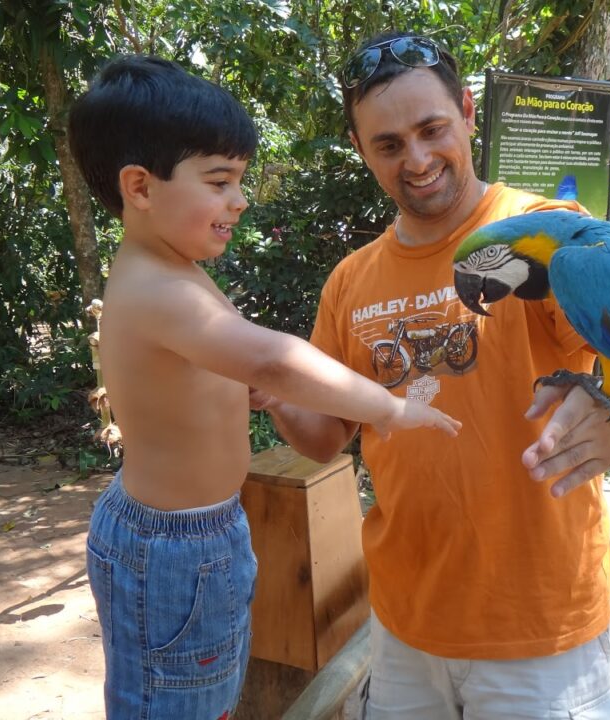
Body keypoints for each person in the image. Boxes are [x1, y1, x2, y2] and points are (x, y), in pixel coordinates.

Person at [256, 32, 610, 719]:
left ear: (467, 112)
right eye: (389, 144)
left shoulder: (547, 233)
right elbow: (326, 438)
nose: (418, 158)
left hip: (538, 631)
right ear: (361, 149)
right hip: (406, 623)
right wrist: (270, 386)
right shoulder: (350, 281)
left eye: (432, 129)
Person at [67, 55, 461, 720]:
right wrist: (389, 408)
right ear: (140, 186)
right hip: (172, 549)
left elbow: (230, 368)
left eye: (239, 181)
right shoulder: (157, 286)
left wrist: (249, 392)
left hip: (201, 536)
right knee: (177, 705)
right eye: (220, 182)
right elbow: (273, 359)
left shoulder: (175, 269)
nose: (239, 200)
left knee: (209, 697)